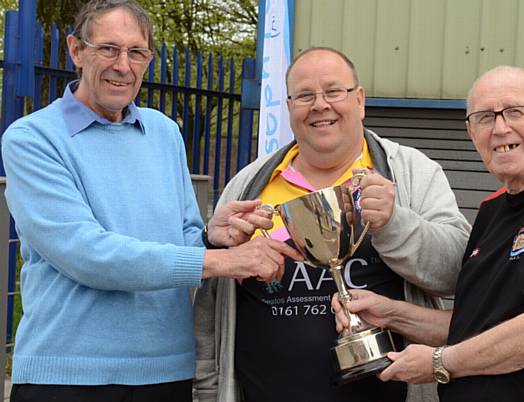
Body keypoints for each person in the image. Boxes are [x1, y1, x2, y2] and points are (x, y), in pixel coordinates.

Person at [1, 1, 301, 401]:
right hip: (69, 377)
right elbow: (85, 254)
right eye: (108, 48)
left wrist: (214, 238)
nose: (123, 65)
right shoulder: (32, 139)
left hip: (166, 372)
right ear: (76, 50)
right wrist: (219, 261)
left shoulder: (163, 133)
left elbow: (182, 243)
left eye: (137, 52)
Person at [333, 65, 524, 402]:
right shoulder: (491, 210)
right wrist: (390, 313)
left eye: (514, 112)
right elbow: (473, 328)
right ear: (470, 133)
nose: (500, 128)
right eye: (484, 118)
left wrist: (439, 363)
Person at [192, 47, 471, 402]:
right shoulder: (249, 184)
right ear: (290, 107)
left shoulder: (413, 172)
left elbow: (454, 273)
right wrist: (217, 247)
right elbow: (210, 307)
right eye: (305, 95)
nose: (320, 105)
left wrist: (394, 223)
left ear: (360, 100)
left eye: (333, 92)